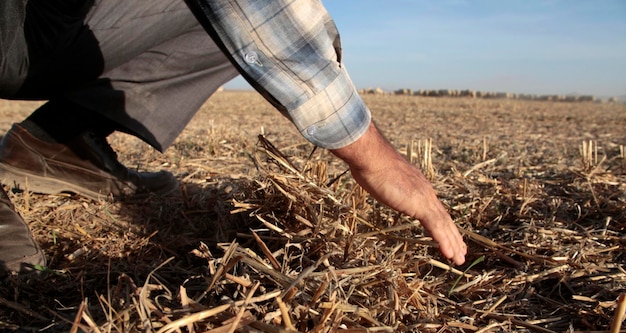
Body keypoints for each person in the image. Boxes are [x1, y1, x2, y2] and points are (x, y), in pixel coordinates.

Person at [0, 0, 467, 276]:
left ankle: (59, 142)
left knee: (223, 24)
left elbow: (266, 18)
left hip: (31, 25)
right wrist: (377, 159)